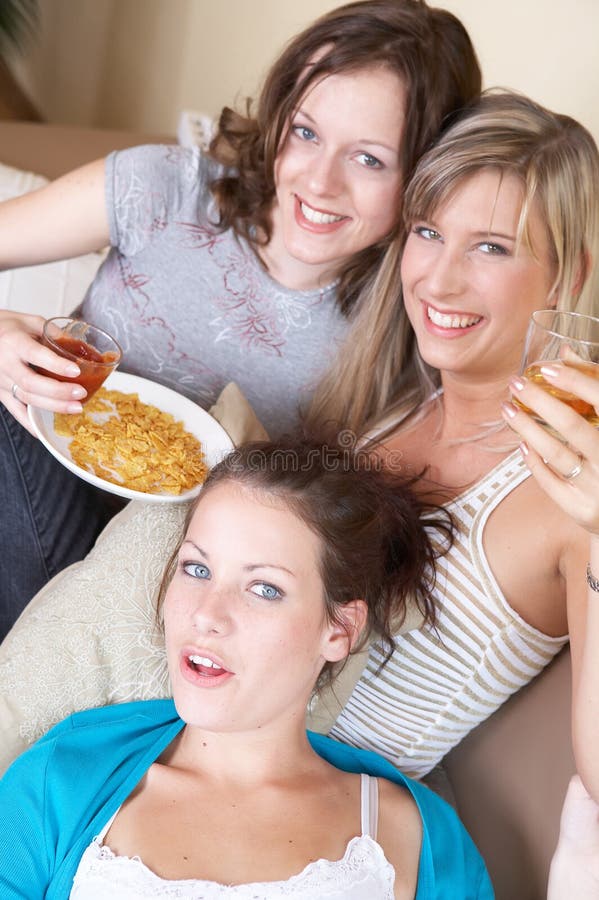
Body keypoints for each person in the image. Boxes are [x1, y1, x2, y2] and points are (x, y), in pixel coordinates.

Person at [0, 0, 481, 632]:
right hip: (30, 479)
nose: (320, 182)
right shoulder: (167, 187)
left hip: (167, 578)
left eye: (369, 159)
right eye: (306, 133)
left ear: (424, 176)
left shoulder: (408, 323)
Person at [0, 440, 492, 899]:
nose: (206, 615)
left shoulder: (415, 835)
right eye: (196, 569)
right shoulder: (57, 784)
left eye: (264, 589)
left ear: (339, 629)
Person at [305, 89, 599, 785]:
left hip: (322, 814)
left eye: (490, 248)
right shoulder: (391, 400)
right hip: (207, 751)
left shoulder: (570, 489)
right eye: (428, 233)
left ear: (570, 274)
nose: (436, 280)